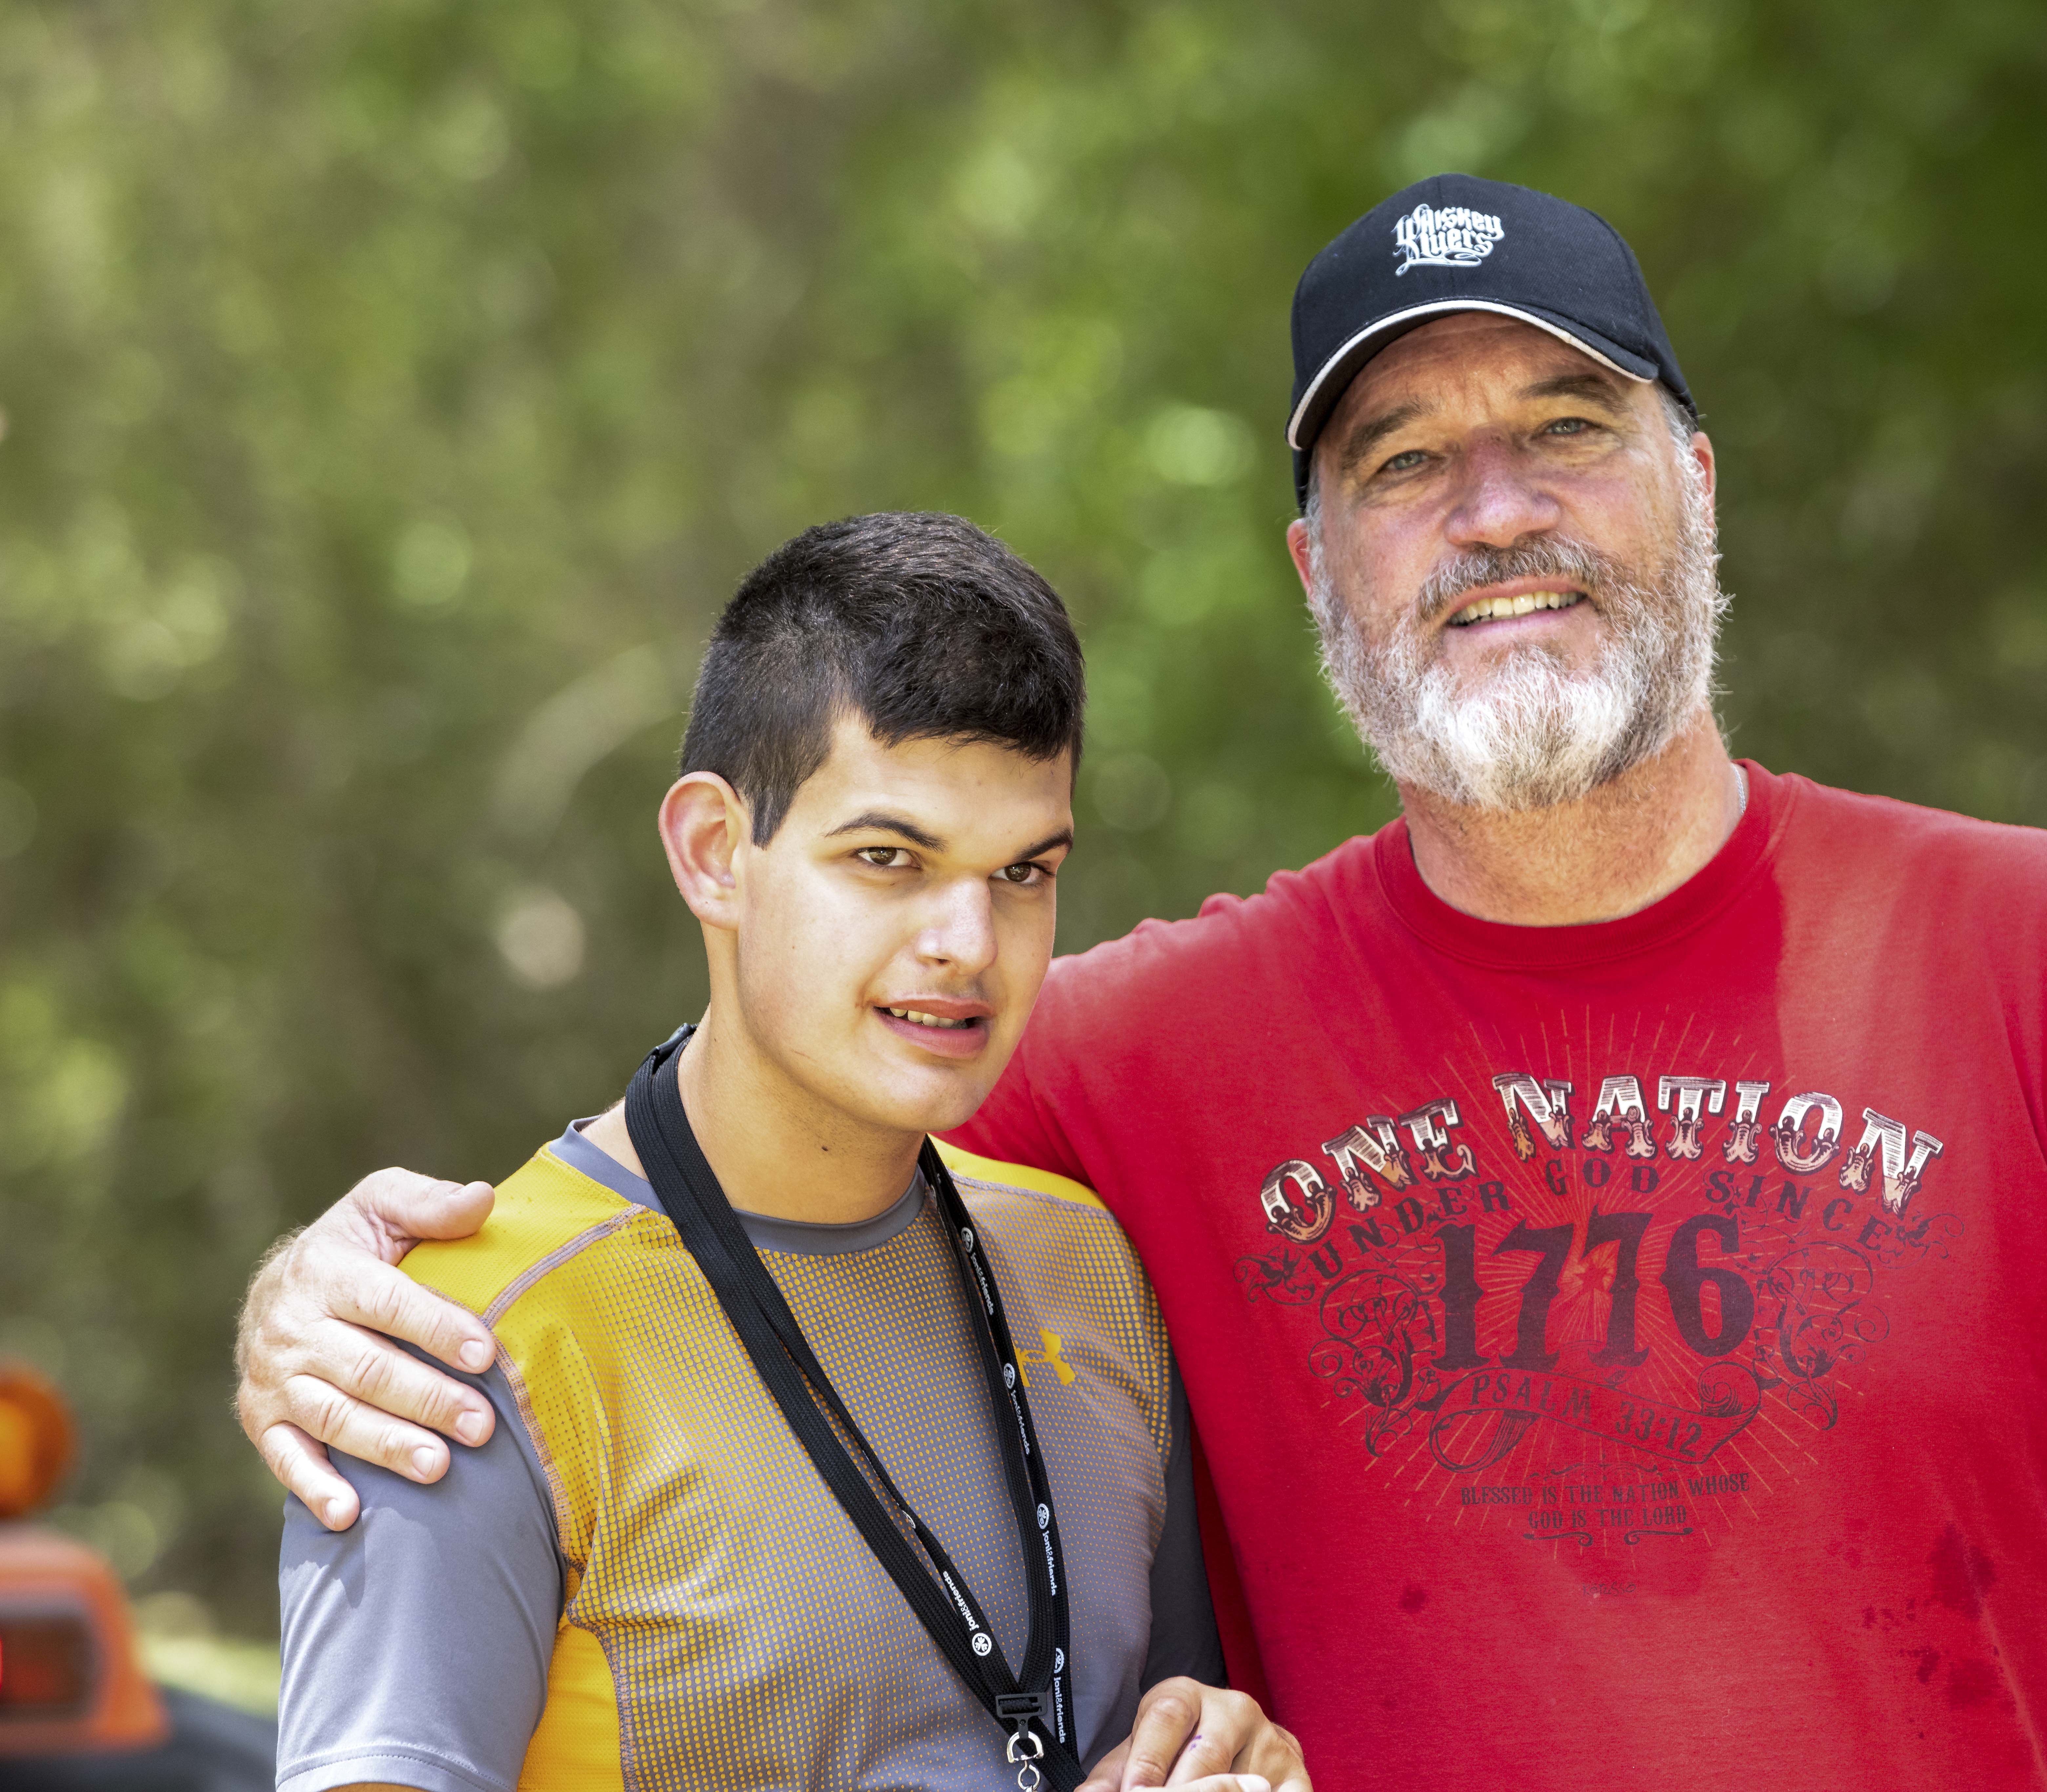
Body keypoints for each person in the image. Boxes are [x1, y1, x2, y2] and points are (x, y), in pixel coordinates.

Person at [238, 177, 2047, 1788]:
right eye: (1400, 463)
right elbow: (726, 1181)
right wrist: (357, 1283)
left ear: (1695, 479)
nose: (1494, 507)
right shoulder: (1130, 1057)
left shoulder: (2044, 956)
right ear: (1319, 569)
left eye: (1566, 425)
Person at [266, 514, 1305, 1792]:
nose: (967, 944)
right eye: (888, 858)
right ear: (714, 852)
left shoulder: (1084, 1265)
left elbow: (1171, 1732)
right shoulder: (454, 1347)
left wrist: (1228, 1756)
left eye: (1023, 871)